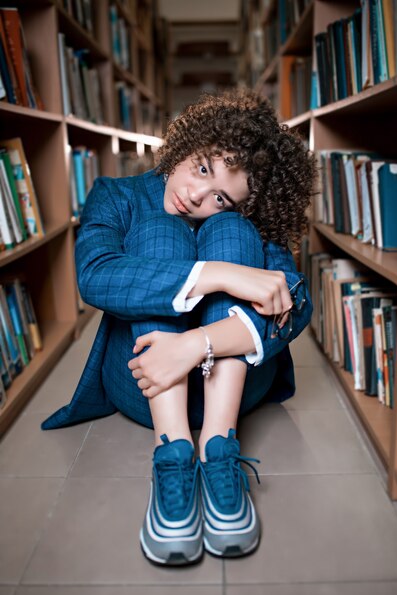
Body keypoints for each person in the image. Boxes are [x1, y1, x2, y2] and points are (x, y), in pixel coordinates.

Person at [41, 88, 316, 566]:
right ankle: (171, 453)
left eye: (221, 197)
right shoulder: (116, 195)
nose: (195, 195)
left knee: (231, 233)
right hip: (142, 379)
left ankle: (217, 449)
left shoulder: (239, 221)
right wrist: (223, 274)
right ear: (190, 142)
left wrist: (197, 344)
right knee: (158, 230)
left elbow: (296, 302)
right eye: (203, 168)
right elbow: (96, 274)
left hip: (230, 389)